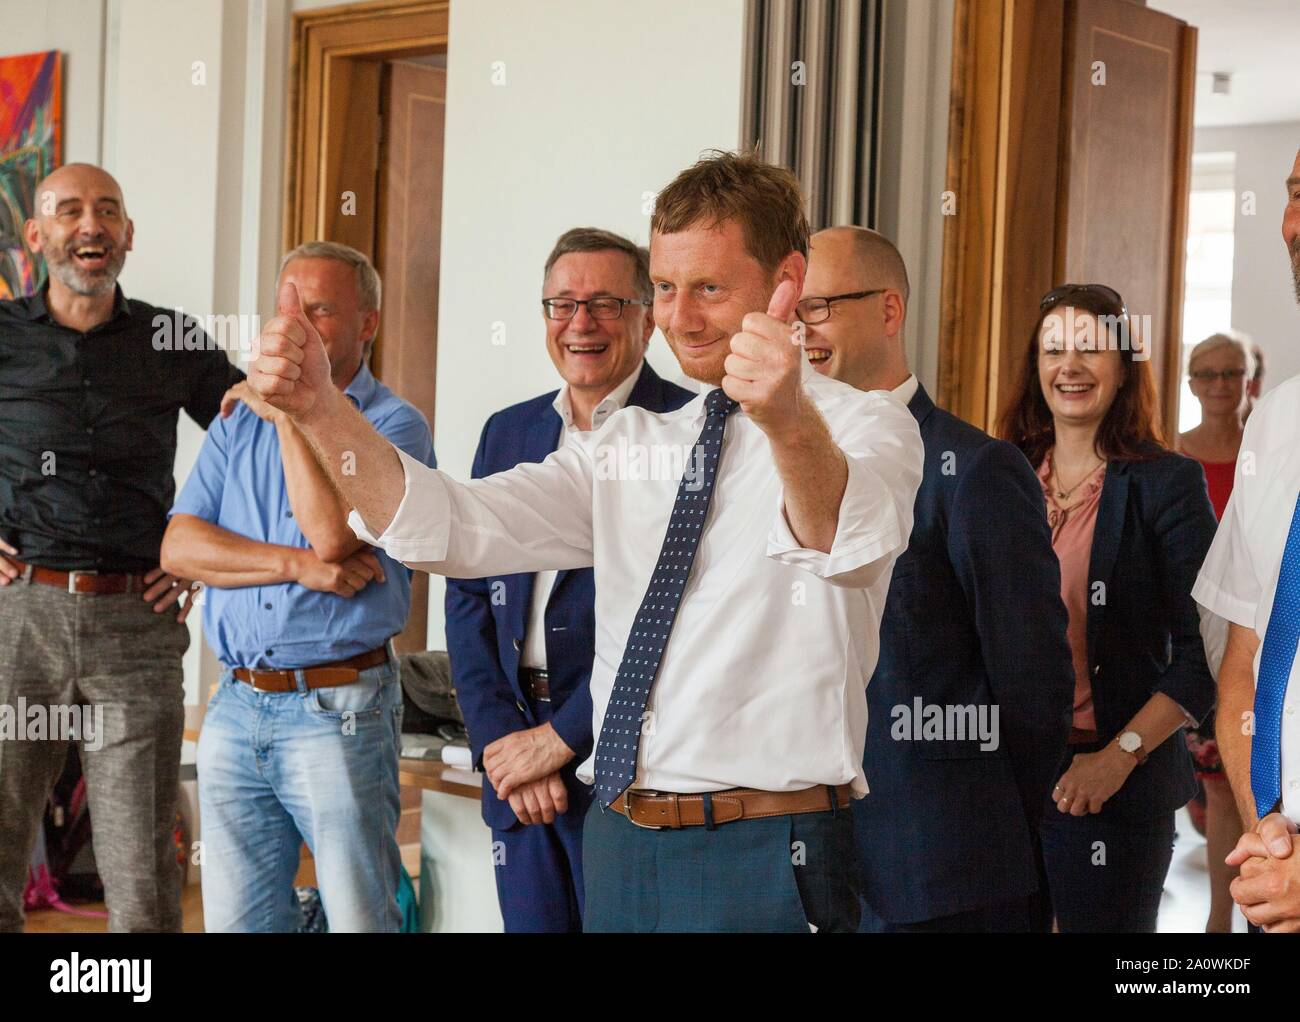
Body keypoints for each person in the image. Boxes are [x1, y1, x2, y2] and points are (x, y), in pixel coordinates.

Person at [247, 150, 923, 933]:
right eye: (667, 289)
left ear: (788, 281)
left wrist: (786, 420)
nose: (680, 318)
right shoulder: (631, 439)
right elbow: (454, 527)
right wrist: (319, 409)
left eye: (709, 288)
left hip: (768, 848)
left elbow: (843, 541)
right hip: (620, 842)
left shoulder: (867, 425)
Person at [799, 226, 1073, 931]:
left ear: (889, 311)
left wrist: (981, 826)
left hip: (945, 876)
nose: (801, 331)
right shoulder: (768, 469)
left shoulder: (974, 469)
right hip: (804, 869)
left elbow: (1032, 683)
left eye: (820, 307)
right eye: (791, 312)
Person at [161, 242, 435, 932]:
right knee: (241, 923)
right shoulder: (233, 422)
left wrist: (289, 411)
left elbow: (332, 538)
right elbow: (178, 547)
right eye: (286, 307)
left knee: (359, 917)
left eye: (318, 310)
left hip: (339, 709)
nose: (296, 324)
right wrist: (294, 566)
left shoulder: (394, 425)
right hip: (235, 704)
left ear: (366, 325)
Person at [0, 163, 238, 932]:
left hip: (135, 622)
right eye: (70, 211)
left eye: (107, 211)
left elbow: (253, 443)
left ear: (128, 235)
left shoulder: (171, 340)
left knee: (142, 879)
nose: (90, 225)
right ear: (37, 237)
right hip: (16, 619)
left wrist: (200, 551)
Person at [445, 227, 692, 932]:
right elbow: (467, 595)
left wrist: (561, 739)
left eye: (606, 303)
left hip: (627, 766)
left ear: (647, 317)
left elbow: (674, 616)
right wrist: (503, 742)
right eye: (562, 303)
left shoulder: (689, 429)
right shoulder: (507, 431)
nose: (580, 323)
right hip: (515, 760)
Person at [998, 282, 1217, 932]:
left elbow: (1206, 648)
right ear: (1035, 367)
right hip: (1002, 783)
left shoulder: (1165, 483)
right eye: (1054, 349)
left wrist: (1119, 754)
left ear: (1123, 367)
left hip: (1117, 783)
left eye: (1090, 350)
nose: (1070, 366)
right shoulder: (997, 472)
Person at [1198, 148, 1300, 932]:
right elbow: (1243, 664)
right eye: (1294, 195)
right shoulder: (1278, 420)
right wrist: (1266, 831)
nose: (1291, 224)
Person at [1177, 330, 1255, 931]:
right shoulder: (1173, 456)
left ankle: (1227, 918)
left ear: (1249, 378)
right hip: (1193, 632)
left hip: (1259, 632)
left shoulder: (1272, 442)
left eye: (1231, 373)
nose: (1220, 386)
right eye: (1207, 375)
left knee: (1244, 783)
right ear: (1191, 383)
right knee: (1210, 786)